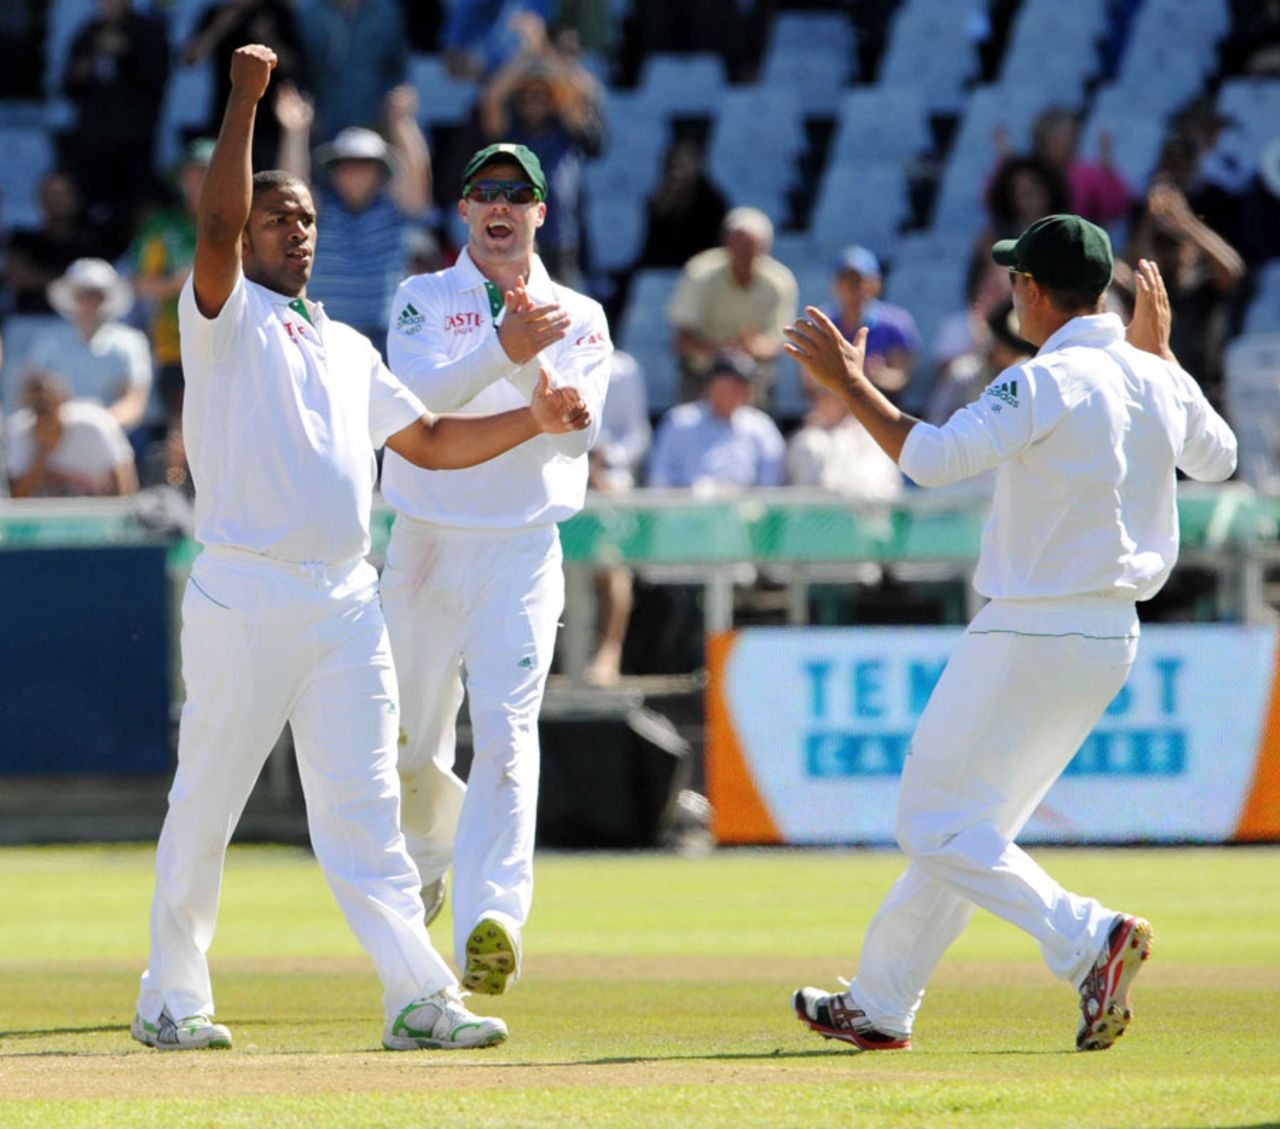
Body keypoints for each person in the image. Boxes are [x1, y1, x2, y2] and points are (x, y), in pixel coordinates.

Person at [132, 45, 590, 1054]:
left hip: (343, 602)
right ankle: (171, 994)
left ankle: (415, 995)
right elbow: (210, 223)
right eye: (273, 217)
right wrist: (245, 100)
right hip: (243, 593)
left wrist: (534, 421)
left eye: (302, 218)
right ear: (242, 235)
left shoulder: (344, 344)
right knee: (206, 801)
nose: (293, 229)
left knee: (368, 815)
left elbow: (427, 438)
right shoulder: (222, 318)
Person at [782, 215, 1236, 1053]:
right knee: (970, 830)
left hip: (1032, 626)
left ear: (1031, 290)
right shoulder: (1152, 374)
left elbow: (929, 459)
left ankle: (1086, 939)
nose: (1006, 293)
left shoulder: (1042, 380)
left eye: (1013, 281)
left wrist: (850, 384)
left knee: (933, 822)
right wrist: (1164, 356)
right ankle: (881, 1000)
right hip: (1111, 638)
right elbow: (1220, 456)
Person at [380, 141, 612, 998]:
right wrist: (508, 351)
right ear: (464, 211)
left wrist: (546, 384)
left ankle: (493, 918)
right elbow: (423, 400)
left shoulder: (579, 312)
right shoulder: (423, 297)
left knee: (510, 739)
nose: (501, 205)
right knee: (404, 743)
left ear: (541, 213)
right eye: (485, 192)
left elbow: (578, 430)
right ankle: (434, 851)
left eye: (518, 193)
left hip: (520, 549)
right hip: (425, 545)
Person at [276, 81, 431, 348]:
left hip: (384, 336)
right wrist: (295, 132)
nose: (354, 172)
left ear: (379, 172)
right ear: (334, 172)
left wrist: (402, 122)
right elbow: (290, 190)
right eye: (345, 165)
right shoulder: (318, 214)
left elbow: (419, 176)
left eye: (364, 165)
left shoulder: (395, 210)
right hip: (325, 335)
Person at [477, 12, 605, 288]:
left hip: (559, 237)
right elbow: (493, 96)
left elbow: (580, 94)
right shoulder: (511, 131)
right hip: (511, 234)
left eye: (543, 93)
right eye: (528, 92)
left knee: (563, 315)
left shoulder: (565, 128)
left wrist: (541, 47)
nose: (535, 98)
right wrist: (527, 56)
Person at [59, 0, 169, 246]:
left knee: (132, 208)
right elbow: (68, 85)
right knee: (87, 208)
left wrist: (126, 53)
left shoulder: (147, 31)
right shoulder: (88, 32)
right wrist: (83, 70)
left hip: (133, 141)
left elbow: (156, 79)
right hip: (92, 139)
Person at [667, 207, 798, 407]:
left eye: (749, 249)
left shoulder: (779, 283)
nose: (741, 255)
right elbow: (681, 340)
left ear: (764, 250)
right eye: (736, 246)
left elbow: (777, 343)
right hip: (702, 375)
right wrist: (722, 351)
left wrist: (749, 349)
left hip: (753, 377)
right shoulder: (700, 273)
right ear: (725, 244)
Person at [584, 348, 650, 687]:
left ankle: (608, 654)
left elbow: (636, 435)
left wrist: (602, 458)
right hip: (549, 473)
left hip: (610, 477)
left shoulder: (623, 368)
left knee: (613, 563)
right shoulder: (536, 356)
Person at [24, 259, 152, 431]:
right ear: (72, 297)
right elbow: (29, 391)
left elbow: (134, 403)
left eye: (95, 294)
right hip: (54, 436)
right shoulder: (48, 339)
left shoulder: (131, 341)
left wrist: (97, 426)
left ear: (106, 298)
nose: (89, 301)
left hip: (114, 436)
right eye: (82, 294)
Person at [183, 0, 307, 172]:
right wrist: (220, 26)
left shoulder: (277, 13)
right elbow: (190, 60)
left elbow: (295, 66)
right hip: (226, 120)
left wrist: (267, 38)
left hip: (269, 125)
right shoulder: (218, 13)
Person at [647, 351, 785, 490]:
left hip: (745, 508)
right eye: (729, 383)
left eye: (742, 384)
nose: (737, 390)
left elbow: (770, 482)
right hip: (688, 507)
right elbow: (660, 476)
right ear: (710, 385)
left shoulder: (761, 426)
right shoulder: (680, 421)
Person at [6, 370, 137, 498]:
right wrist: (42, 453)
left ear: (61, 401)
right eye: (37, 407)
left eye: (47, 404)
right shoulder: (20, 432)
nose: (44, 412)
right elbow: (17, 498)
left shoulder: (92, 427)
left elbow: (124, 487)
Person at [822, 245, 922, 410]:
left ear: (876, 284)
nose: (852, 288)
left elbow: (901, 377)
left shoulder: (896, 323)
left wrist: (875, 376)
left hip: (880, 412)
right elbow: (809, 384)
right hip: (832, 411)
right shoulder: (824, 322)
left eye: (858, 281)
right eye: (845, 280)